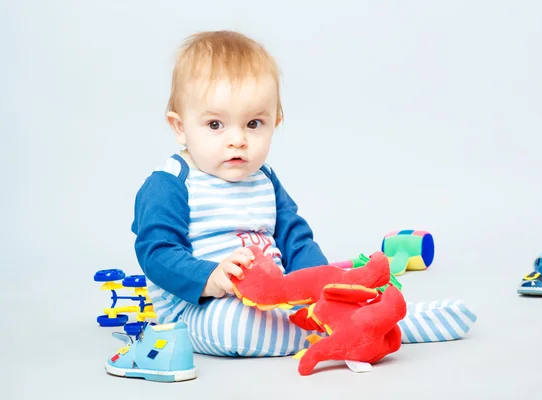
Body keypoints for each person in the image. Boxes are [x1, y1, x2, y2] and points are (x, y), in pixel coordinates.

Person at [131, 30, 477, 358]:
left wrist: (321, 287)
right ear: (180, 127)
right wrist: (209, 277)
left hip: (275, 296)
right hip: (199, 306)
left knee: (322, 301)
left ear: (274, 122)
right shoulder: (172, 182)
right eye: (215, 125)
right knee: (235, 326)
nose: (237, 139)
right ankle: (362, 326)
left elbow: (295, 237)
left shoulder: (264, 178)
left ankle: (354, 316)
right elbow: (157, 252)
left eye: (253, 124)